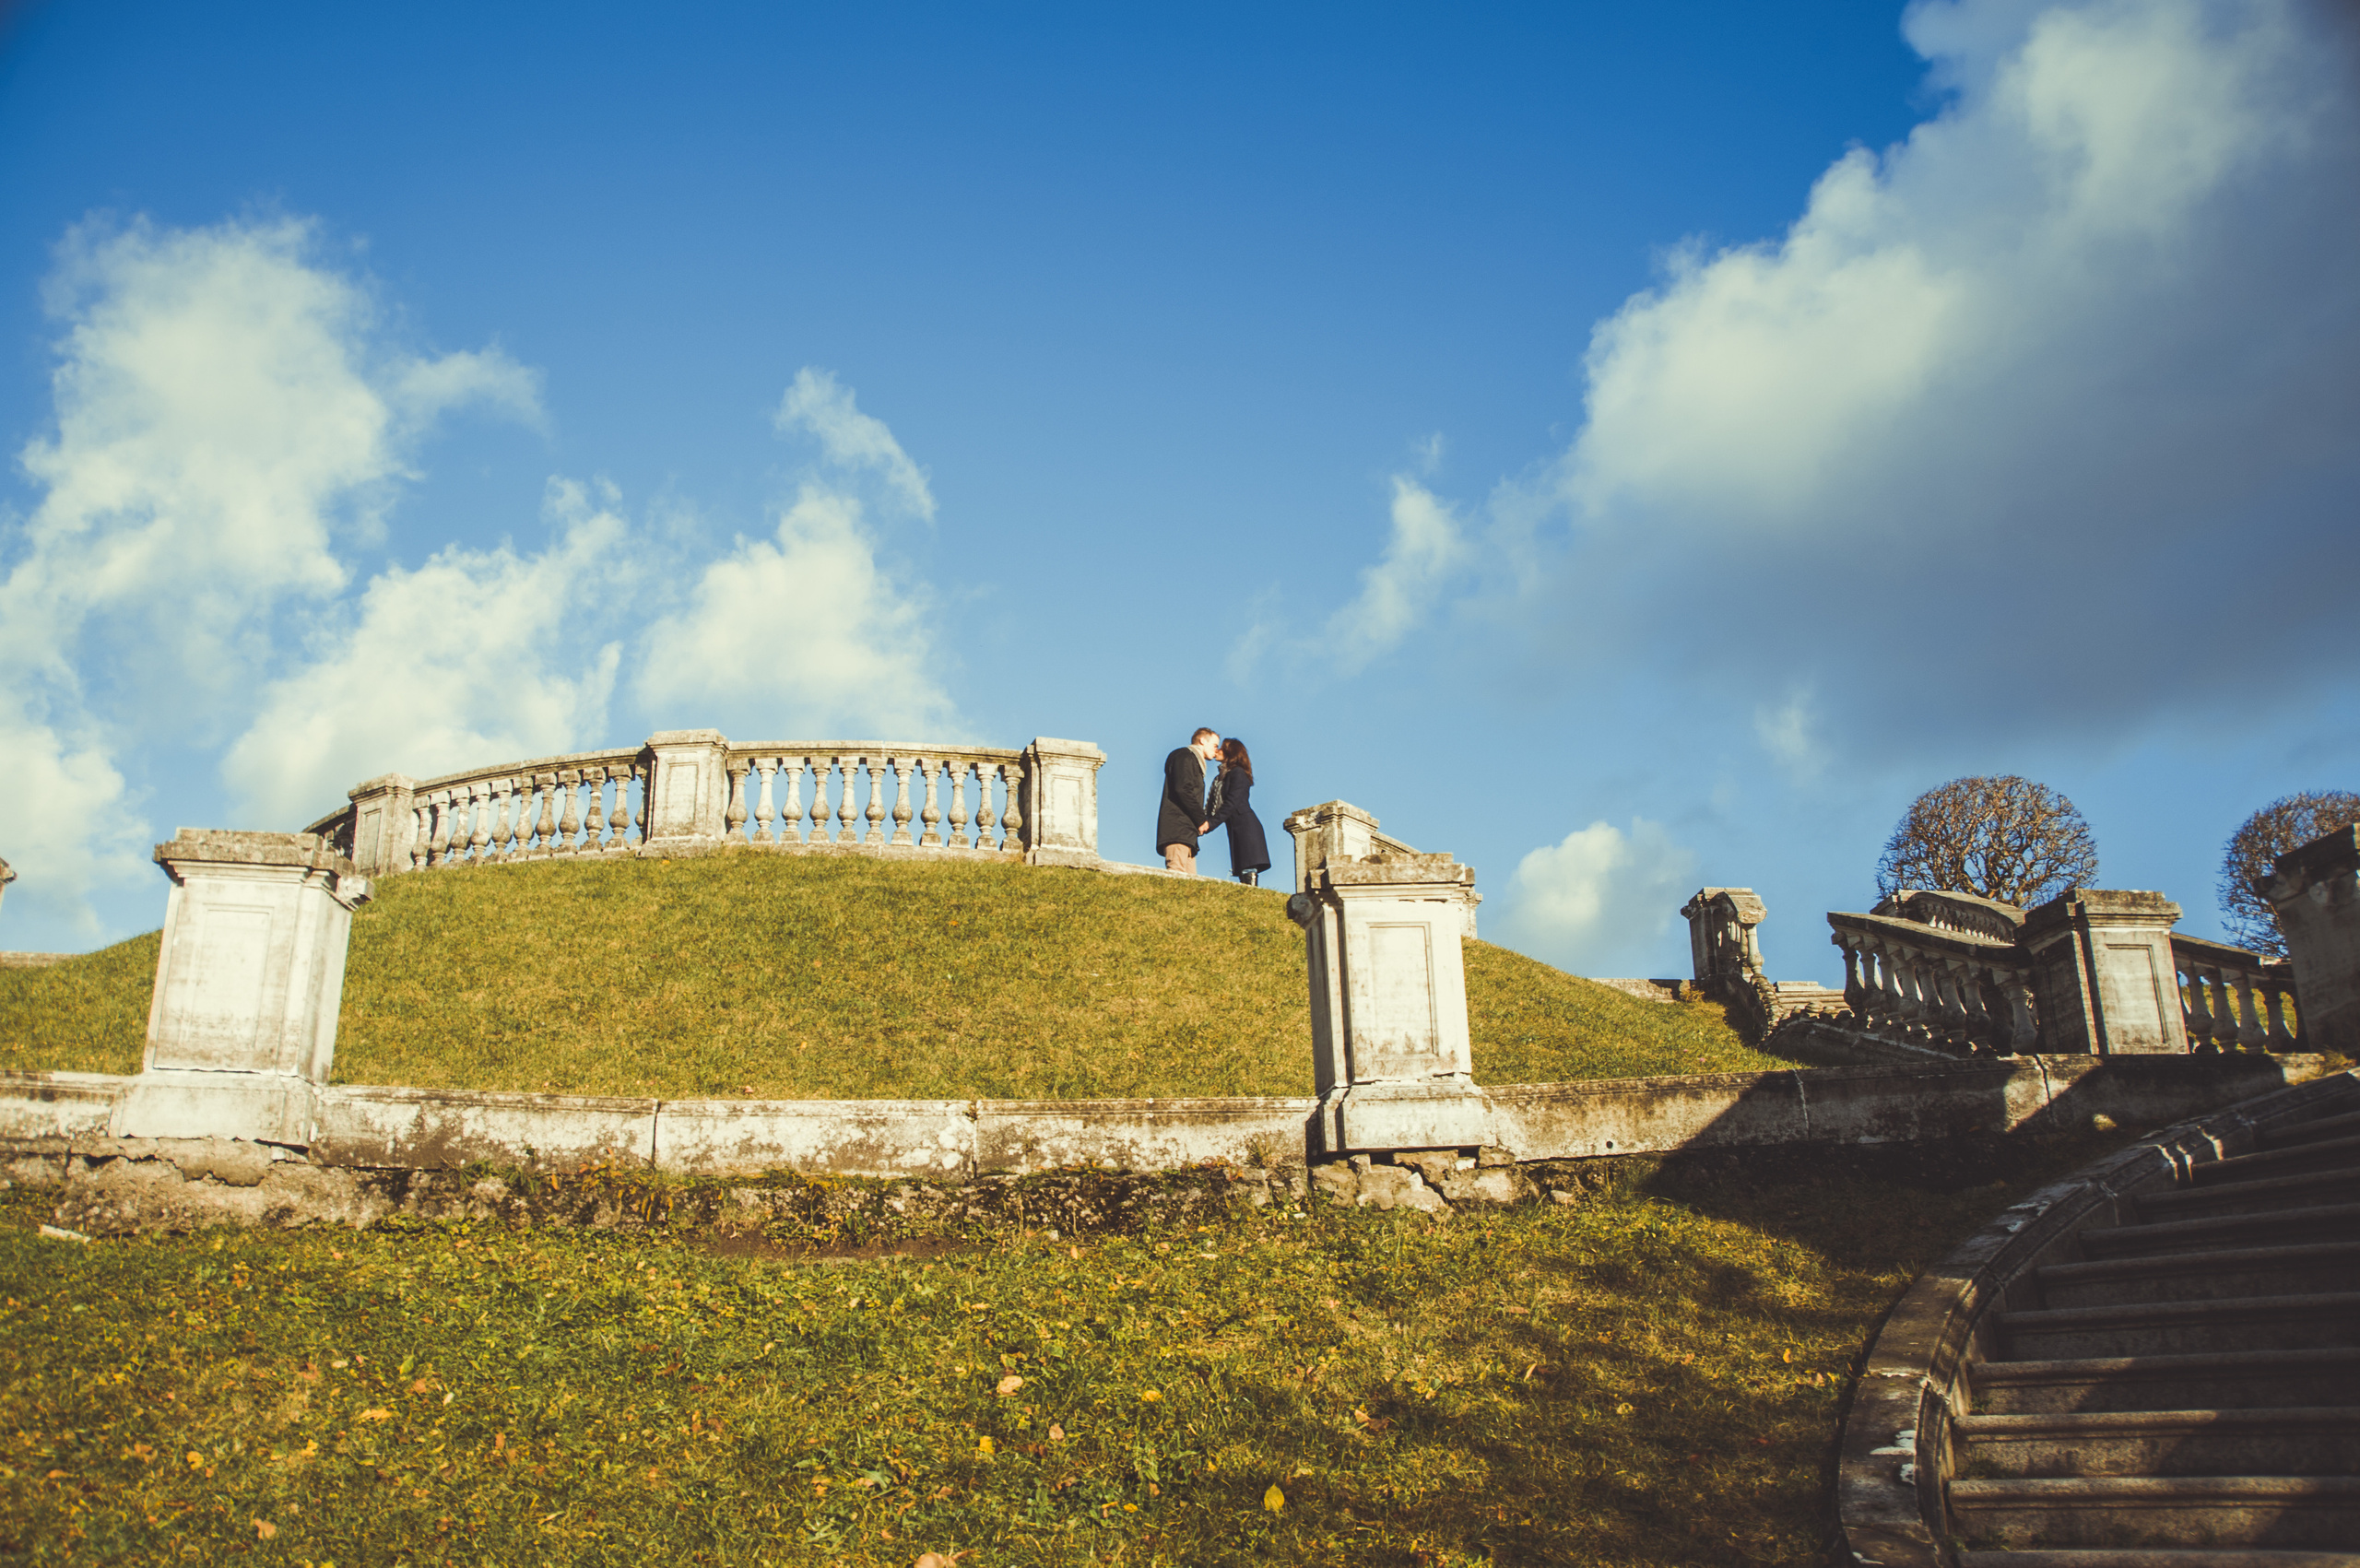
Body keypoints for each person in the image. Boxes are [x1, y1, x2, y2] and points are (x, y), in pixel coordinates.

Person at [1204, 737, 1272, 886]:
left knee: (1248, 867)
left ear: (1230, 752)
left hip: (1245, 826)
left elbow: (1231, 803)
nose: (1217, 750)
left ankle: (1252, 896)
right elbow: (1213, 806)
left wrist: (1210, 823)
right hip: (1235, 826)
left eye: (1221, 748)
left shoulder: (1237, 773)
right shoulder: (1221, 777)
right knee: (1243, 869)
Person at [1156, 727, 1220, 874]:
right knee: (1177, 874)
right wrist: (1201, 819)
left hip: (1187, 833)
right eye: (1215, 745)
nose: (1217, 750)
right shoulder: (1185, 756)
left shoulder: (1195, 762)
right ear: (1202, 741)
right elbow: (1182, 789)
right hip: (1178, 830)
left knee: (1191, 881)